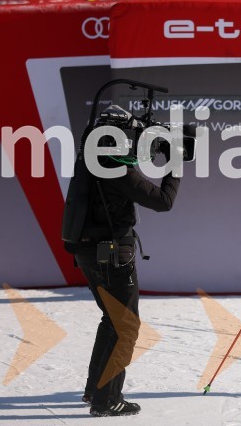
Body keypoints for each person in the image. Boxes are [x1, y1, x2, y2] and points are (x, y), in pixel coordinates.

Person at [75, 105, 180, 417]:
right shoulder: (112, 165)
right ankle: (106, 400)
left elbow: (130, 165)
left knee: (112, 320)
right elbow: (163, 202)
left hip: (88, 250)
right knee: (126, 326)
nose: (133, 141)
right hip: (109, 253)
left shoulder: (95, 158)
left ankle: (96, 389)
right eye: (131, 134)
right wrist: (174, 162)